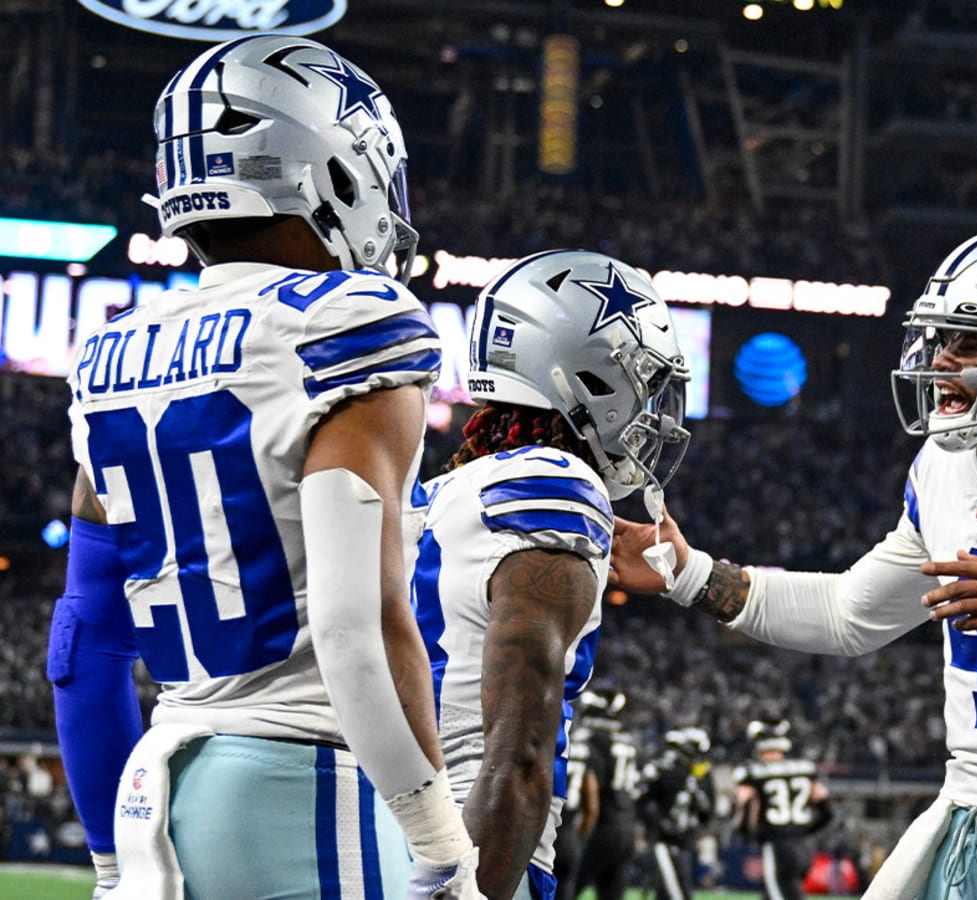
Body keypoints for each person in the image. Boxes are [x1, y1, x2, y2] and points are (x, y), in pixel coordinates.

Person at [609, 227, 977, 899]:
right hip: (962, 814)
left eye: (969, 341)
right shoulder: (943, 469)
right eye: (940, 339)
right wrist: (688, 576)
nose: (941, 362)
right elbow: (847, 615)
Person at [51, 34, 481, 899]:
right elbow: (356, 626)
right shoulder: (349, 324)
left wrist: (106, 859)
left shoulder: (109, 356)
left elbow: (84, 642)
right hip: (312, 787)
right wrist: (444, 850)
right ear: (330, 169)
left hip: (158, 793)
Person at [410, 248, 692, 900]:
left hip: (396, 825)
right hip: (472, 840)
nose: (652, 408)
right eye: (644, 381)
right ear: (583, 374)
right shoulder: (552, 488)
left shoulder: (441, 492)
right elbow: (518, 757)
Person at [731, 719, 832, 900]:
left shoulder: (753, 772)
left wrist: (750, 834)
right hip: (805, 846)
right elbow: (827, 811)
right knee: (774, 893)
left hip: (778, 845)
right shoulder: (804, 768)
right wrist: (804, 830)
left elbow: (743, 808)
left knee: (783, 893)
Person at [574, 687, 643, 900]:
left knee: (564, 888)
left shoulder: (592, 737)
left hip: (603, 825)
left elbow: (591, 784)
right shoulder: (625, 739)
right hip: (627, 827)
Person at [638, 726, 716, 900]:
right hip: (664, 840)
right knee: (675, 892)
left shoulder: (699, 777)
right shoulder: (664, 771)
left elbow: (707, 812)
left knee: (674, 890)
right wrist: (657, 822)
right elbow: (641, 800)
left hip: (684, 840)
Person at [552, 703, 601, 900]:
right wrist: (578, 835)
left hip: (543, 835)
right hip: (569, 836)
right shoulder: (585, 751)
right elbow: (592, 807)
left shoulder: (547, 741)